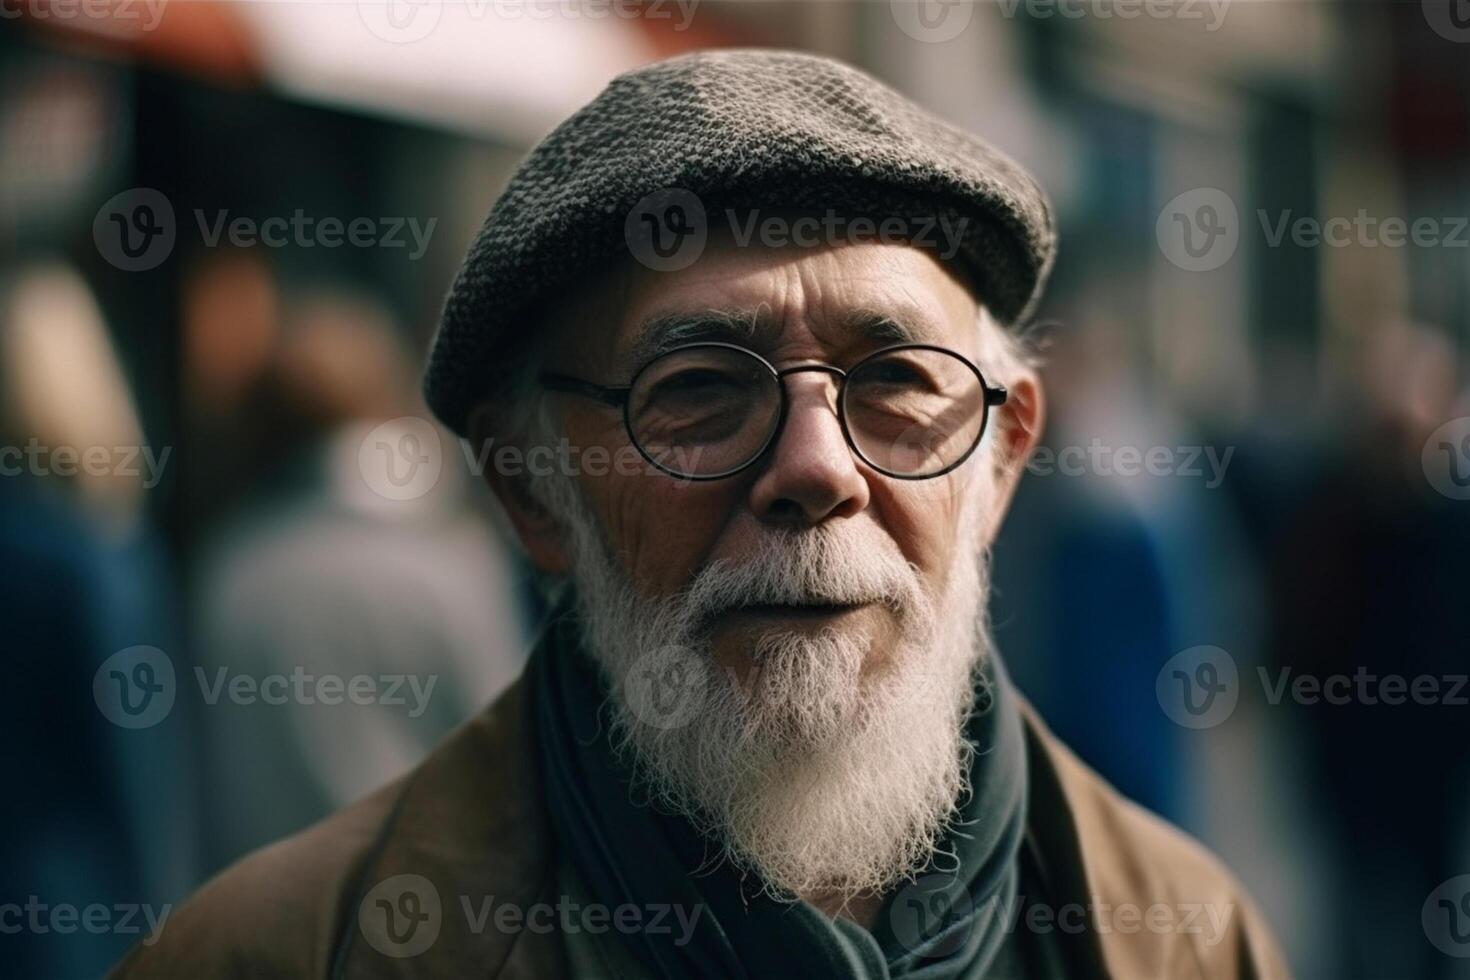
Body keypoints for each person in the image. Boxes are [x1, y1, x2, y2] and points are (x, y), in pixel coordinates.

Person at [112, 50, 1289, 979]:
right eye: (699, 393)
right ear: (532, 487)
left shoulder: (1192, 937)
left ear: (998, 461)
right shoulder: (267, 956)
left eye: (895, 384)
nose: (817, 469)